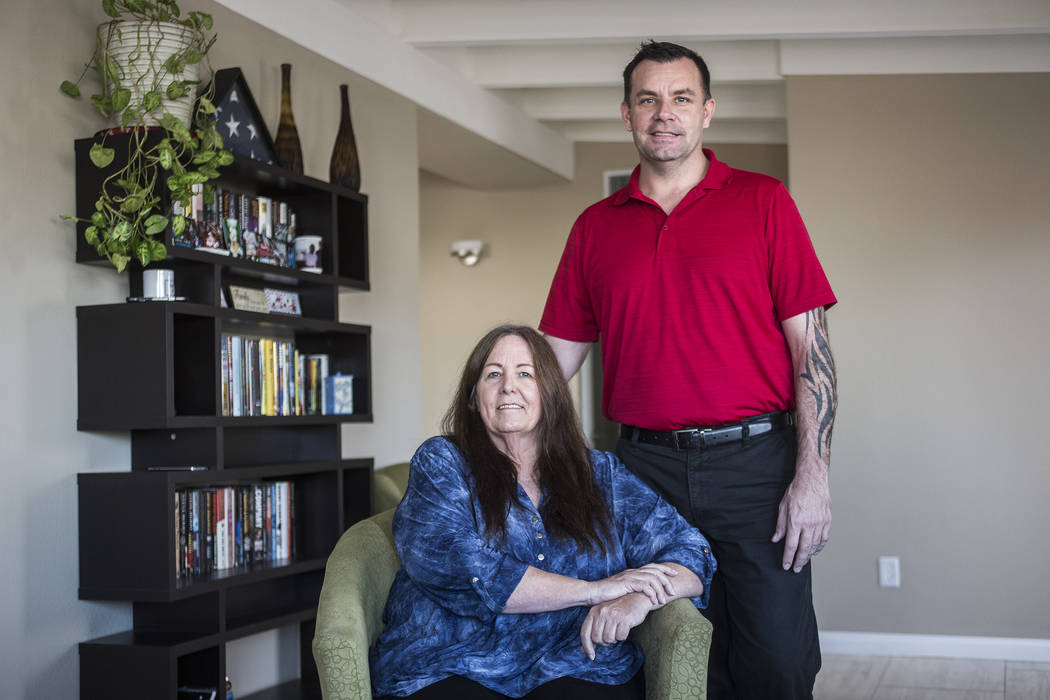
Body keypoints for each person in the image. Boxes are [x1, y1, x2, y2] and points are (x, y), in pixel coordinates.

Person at [539, 41, 838, 700]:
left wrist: (812, 476)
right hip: (643, 473)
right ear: (627, 114)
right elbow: (552, 361)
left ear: (707, 111)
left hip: (757, 466)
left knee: (778, 661)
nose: (663, 114)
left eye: (680, 99)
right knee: (660, 652)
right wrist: (501, 451)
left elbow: (811, 351)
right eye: (648, 99)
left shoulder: (764, 203)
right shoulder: (594, 228)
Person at [370, 325, 717, 699]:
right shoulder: (442, 462)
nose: (508, 386)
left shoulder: (601, 474)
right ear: (473, 398)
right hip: (451, 661)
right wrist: (594, 591)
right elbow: (460, 564)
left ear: (550, 392)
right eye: (492, 374)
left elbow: (691, 551)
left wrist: (637, 599)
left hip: (575, 657)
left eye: (525, 373)